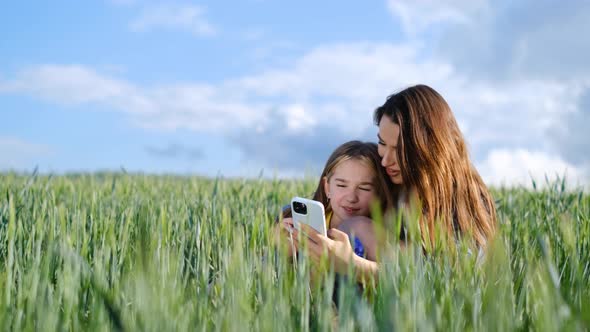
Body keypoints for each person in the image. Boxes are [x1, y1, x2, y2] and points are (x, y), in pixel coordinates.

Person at [290, 84, 498, 282]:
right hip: (372, 297)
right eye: (382, 143)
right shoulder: (393, 177)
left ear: (430, 148)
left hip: (418, 310)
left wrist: (354, 266)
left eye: (399, 150)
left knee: (357, 226)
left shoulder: (468, 200)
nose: (385, 160)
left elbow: (446, 282)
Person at [276, 140, 395, 261]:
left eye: (364, 188)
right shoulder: (289, 217)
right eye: (342, 186)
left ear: (380, 193)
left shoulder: (374, 234)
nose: (351, 198)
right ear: (327, 187)